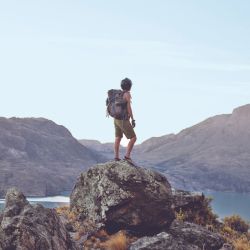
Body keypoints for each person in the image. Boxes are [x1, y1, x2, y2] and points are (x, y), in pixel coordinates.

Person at [114, 78, 137, 164]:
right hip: (123, 120)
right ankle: (127, 156)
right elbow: (129, 108)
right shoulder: (127, 94)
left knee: (118, 137)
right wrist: (132, 119)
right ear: (129, 86)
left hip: (116, 119)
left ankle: (116, 157)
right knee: (133, 138)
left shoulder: (118, 93)